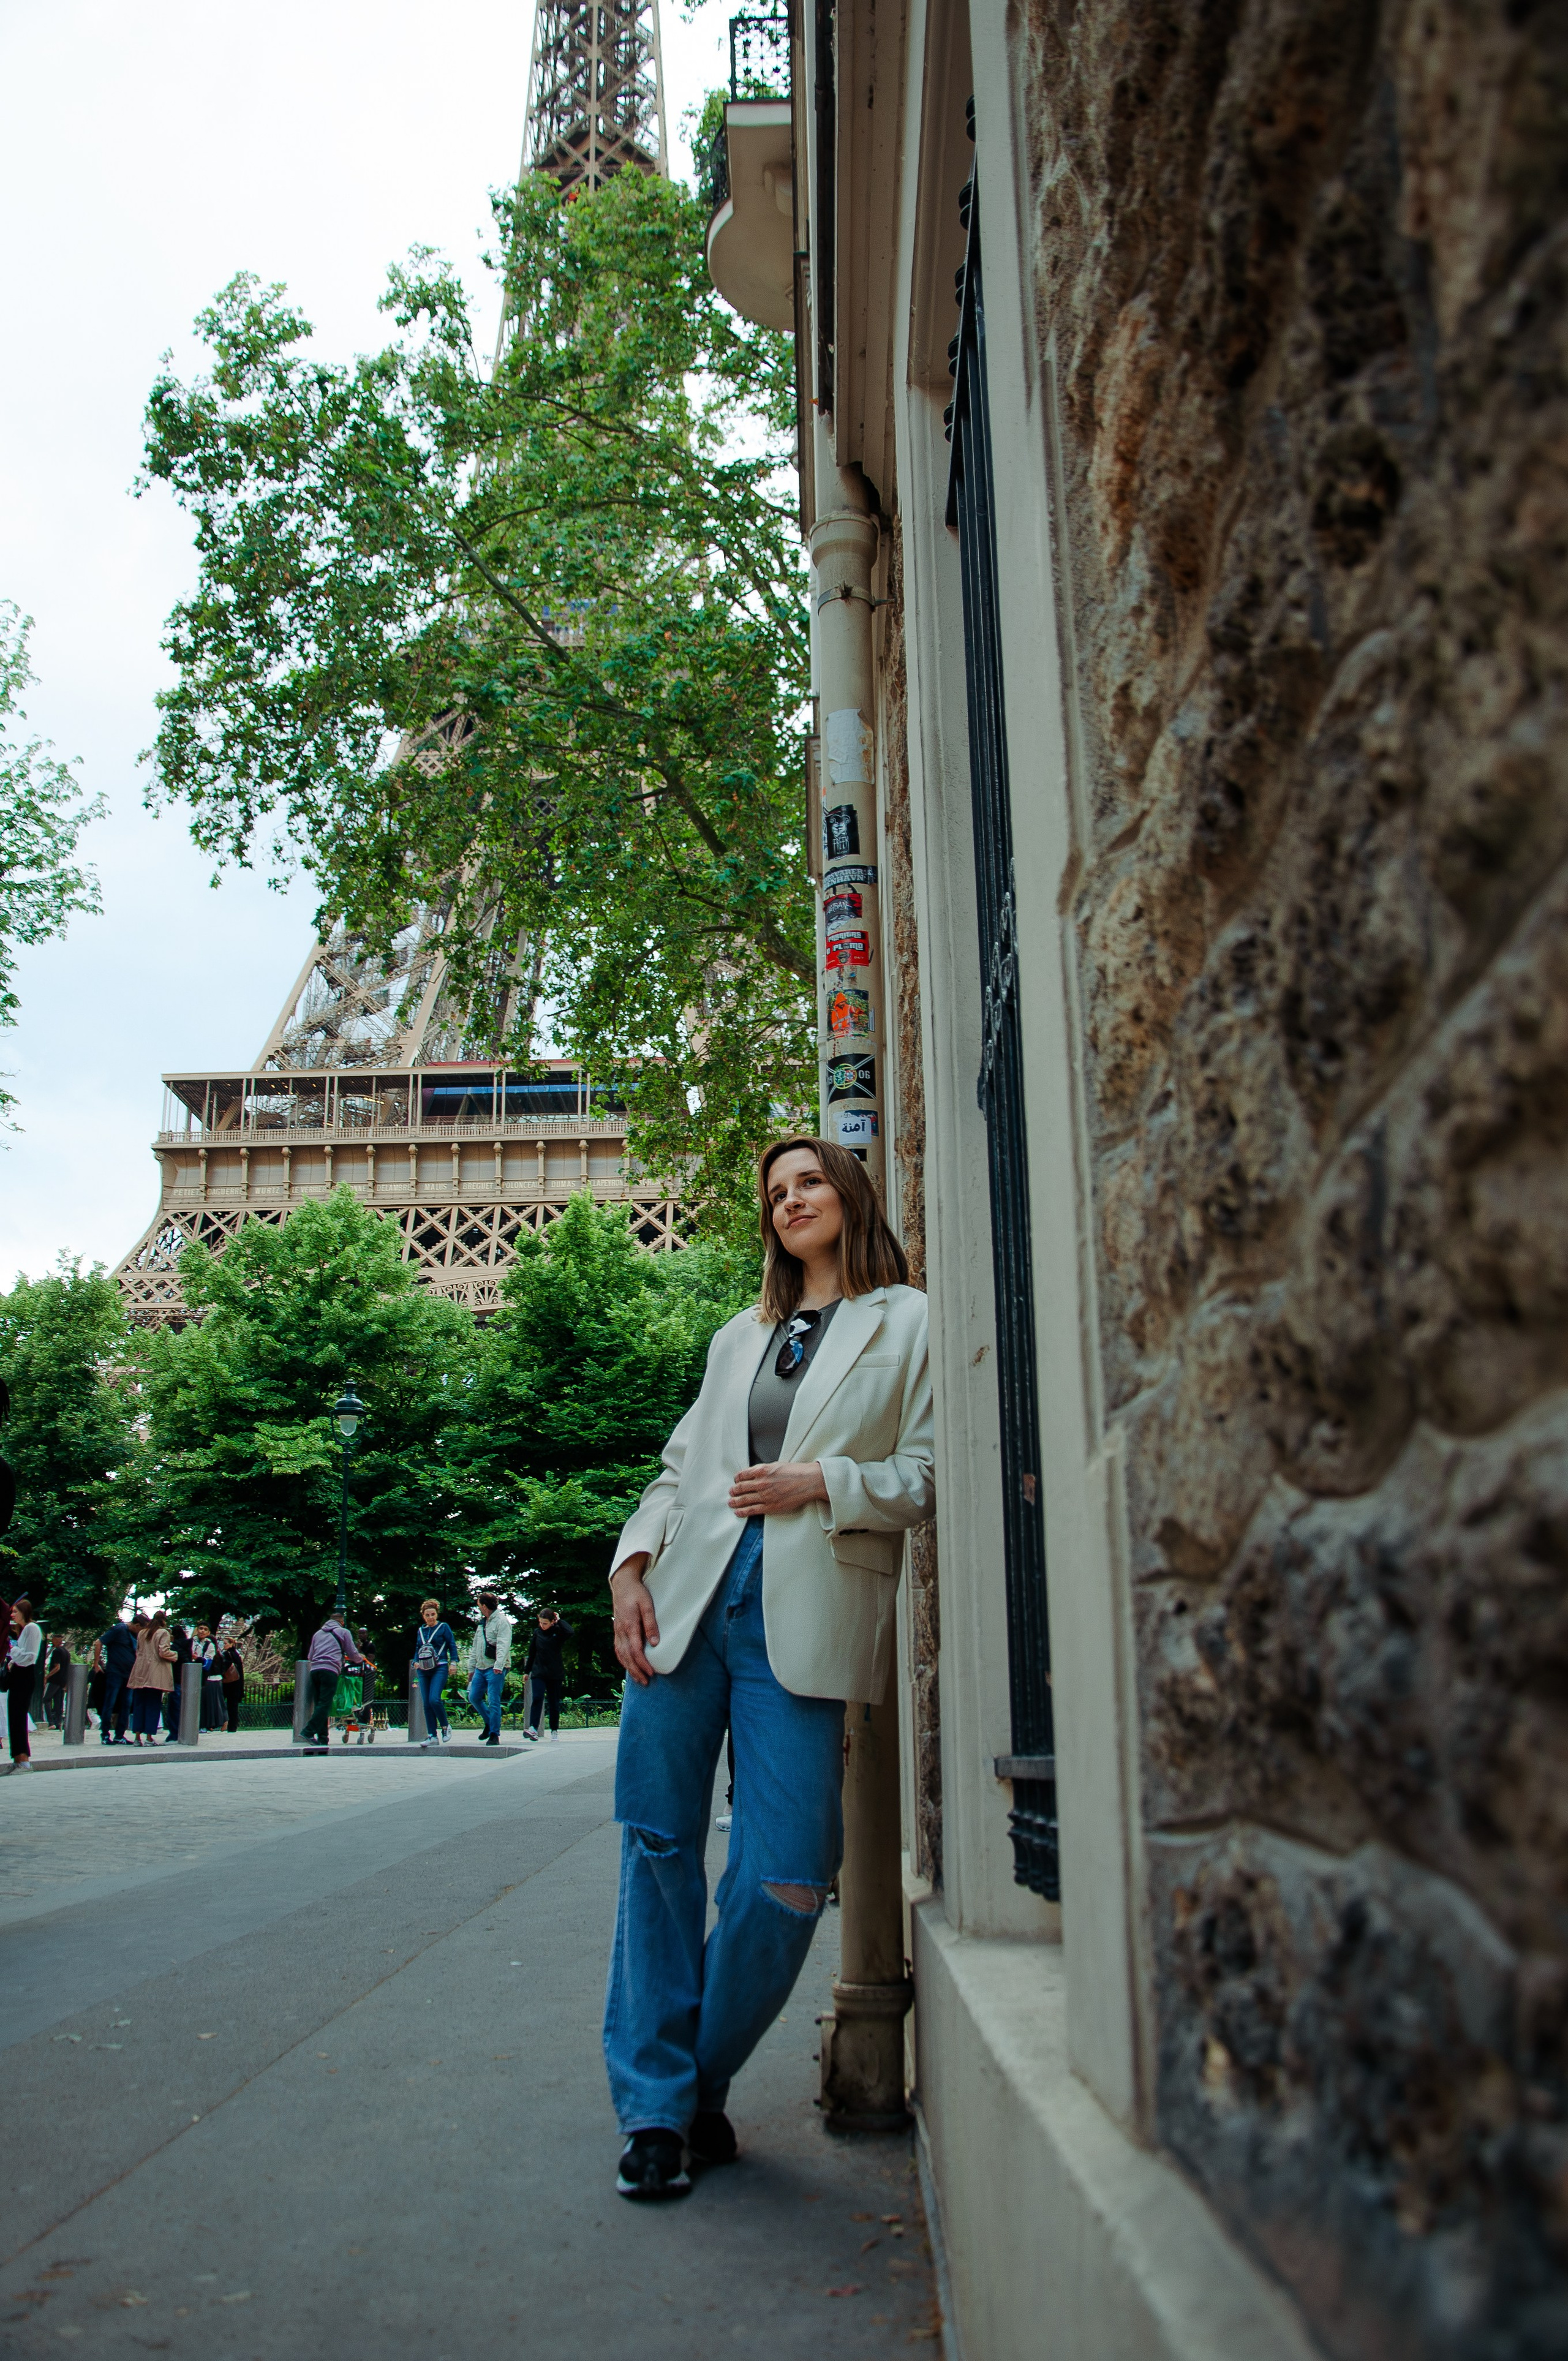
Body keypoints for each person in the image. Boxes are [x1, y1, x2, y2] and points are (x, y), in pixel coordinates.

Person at [604, 1135, 935, 2200]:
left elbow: (924, 1472)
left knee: (789, 1873)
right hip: (688, 1607)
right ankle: (656, 2110)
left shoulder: (908, 1320)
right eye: (777, 1191)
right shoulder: (736, 1336)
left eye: (811, 1182)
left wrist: (820, 1482)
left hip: (804, 1613)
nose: (793, 1200)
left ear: (849, 1197)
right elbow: (677, 1470)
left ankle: (692, 2079)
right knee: (657, 1846)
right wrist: (630, 1568)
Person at [301, 1609, 364, 1752]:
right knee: (325, 1704)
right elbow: (352, 1653)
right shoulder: (344, 1632)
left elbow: (311, 1655)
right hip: (330, 1670)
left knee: (320, 1705)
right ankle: (308, 1732)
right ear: (342, 1622)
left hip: (315, 1670)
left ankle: (323, 1738)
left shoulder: (318, 1634)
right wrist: (360, 1659)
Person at [466, 1592, 513, 1747]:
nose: (478, 1608)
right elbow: (476, 1647)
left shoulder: (501, 1622)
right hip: (480, 1667)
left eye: (479, 1605)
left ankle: (494, 1734)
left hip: (495, 1668)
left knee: (493, 1700)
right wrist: (471, 1668)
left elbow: (503, 1645)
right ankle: (489, 1723)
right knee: (474, 1696)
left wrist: (499, 1666)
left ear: (484, 1606)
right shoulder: (482, 1623)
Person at [522, 1609, 575, 1744]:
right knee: (538, 1698)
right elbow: (532, 1652)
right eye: (541, 1622)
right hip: (539, 1671)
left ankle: (554, 1730)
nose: (542, 1626)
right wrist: (527, 1671)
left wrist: (560, 1620)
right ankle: (533, 1728)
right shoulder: (537, 1633)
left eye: (545, 1623)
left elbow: (570, 1632)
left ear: (552, 1622)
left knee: (554, 1703)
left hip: (555, 1673)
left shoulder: (559, 1631)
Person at [412, 1600, 458, 1747]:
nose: (430, 1617)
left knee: (434, 1700)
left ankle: (445, 1726)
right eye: (427, 1615)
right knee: (426, 1703)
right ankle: (432, 1735)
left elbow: (452, 1645)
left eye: (433, 1614)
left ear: (437, 1614)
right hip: (424, 1669)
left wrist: (454, 1662)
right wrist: (415, 1662)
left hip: (440, 1666)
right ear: (423, 1616)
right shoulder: (421, 1631)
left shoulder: (444, 1627)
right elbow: (418, 1648)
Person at [128, 1611, 176, 1745]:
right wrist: (176, 1655)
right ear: (164, 1621)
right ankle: (149, 1737)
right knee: (153, 1705)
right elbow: (163, 1651)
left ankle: (137, 1737)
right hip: (155, 1673)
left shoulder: (142, 1633)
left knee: (139, 1704)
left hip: (140, 1672)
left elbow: (138, 1651)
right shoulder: (163, 1633)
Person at [6, 1599, 42, 1769]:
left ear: (24, 1612)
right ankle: (18, 1758)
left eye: (15, 1612)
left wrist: (12, 1650)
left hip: (24, 1676)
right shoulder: (24, 1630)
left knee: (18, 1717)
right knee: (14, 1717)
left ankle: (23, 1759)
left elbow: (29, 1657)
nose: (12, 1615)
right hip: (19, 1676)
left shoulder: (32, 1628)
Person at [98, 1613, 138, 1746]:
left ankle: (120, 1735)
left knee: (126, 1705)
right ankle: (105, 1734)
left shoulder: (135, 1635)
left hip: (129, 1674)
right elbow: (99, 1642)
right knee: (110, 1703)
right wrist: (96, 1663)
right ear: (136, 1625)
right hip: (115, 1672)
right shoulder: (119, 1629)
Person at [162, 1618, 194, 1738]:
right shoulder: (187, 1646)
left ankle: (174, 1733)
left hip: (175, 1680)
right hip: (184, 1680)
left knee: (174, 1709)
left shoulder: (175, 1647)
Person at [194, 1624, 224, 1730]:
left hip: (204, 1678)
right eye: (201, 1629)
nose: (202, 1631)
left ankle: (202, 1725)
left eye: (205, 1629)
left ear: (208, 1633)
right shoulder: (191, 1642)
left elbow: (207, 1665)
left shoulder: (209, 1646)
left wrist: (197, 1659)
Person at [218, 1632, 246, 1734]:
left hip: (228, 1683)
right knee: (233, 1706)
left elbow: (223, 1668)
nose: (224, 1645)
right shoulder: (236, 1654)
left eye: (225, 1643)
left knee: (221, 1703)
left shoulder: (227, 1655)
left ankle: (221, 1723)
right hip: (236, 1683)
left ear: (230, 1644)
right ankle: (232, 1727)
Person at [43, 1634, 70, 1728]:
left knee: (46, 1699)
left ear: (56, 1640)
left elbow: (57, 1667)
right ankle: (58, 1723)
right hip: (63, 1680)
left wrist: (47, 1676)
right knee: (59, 1701)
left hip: (55, 1680)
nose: (51, 1642)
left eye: (53, 1640)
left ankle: (51, 1722)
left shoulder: (57, 1651)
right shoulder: (67, 1652)